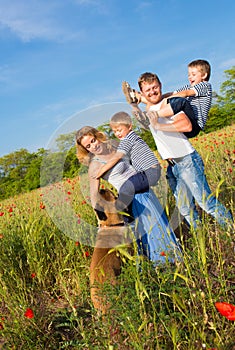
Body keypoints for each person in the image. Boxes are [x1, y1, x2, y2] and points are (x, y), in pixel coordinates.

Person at [128, 72, 233, 230]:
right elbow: (143, 116)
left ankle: (231, 230)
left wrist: (159, 126)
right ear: (143, 93)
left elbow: (186, 126)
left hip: (186, 160)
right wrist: (134, 103)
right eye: (148, 90)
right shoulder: (150, 109)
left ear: (160, 86)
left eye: (154, 87)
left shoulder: (171, 103)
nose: (152, 91)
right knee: (185, 209)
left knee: (206, 203)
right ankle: (201, 237)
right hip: (172, 165)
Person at [75, 126, 182, 265]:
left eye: (93, 141)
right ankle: (162, 267)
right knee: (150, 234)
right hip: (131, 199)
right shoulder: (95, 166)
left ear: (98, 136)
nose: (93, 146)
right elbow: (94, 196)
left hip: (144, 189)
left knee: (160, 229)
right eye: (88, 146)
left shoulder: (115, 147)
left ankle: (175, 262)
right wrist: (102, 219)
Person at [122, 59, 212, 138]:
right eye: (189, 74)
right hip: (186, 119)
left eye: (193, 74)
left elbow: (185, 93)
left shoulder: (205, 85)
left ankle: (152, 116)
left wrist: (167, 100)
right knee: (171, 100)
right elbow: (172, 93)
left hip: (195, 124)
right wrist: (163, 99)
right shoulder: (189, 86)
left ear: (204, 75)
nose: (190, 77)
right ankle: (138, 97)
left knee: (180, 102)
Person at [95, 111, 161, 211]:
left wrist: (101, 171)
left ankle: (124, 214)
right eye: (115, 131)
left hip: (148, 172)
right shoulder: (133, 137)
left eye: (119, 130)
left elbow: (117, 157)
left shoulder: (127, 140)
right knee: (127, 189)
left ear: (129, 126)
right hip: (150, 171)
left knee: (125, 188)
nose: (117, 134)